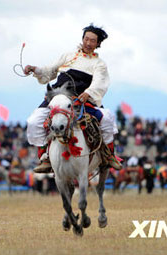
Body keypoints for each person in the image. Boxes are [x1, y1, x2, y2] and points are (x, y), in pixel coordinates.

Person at [24, 24, 121, 173]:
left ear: (98, 44)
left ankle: (109, 155)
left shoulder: (99, 64)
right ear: (82, 39)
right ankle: (45, 156)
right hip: (57, 97)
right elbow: (49, 71)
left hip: (80, 100)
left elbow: (99, 82)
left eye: (93, 41)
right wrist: (35, 69)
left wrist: (89, 93)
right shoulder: (68, 56)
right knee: (34, 121)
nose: (88, 43)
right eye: (86, 39)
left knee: (107, 119)